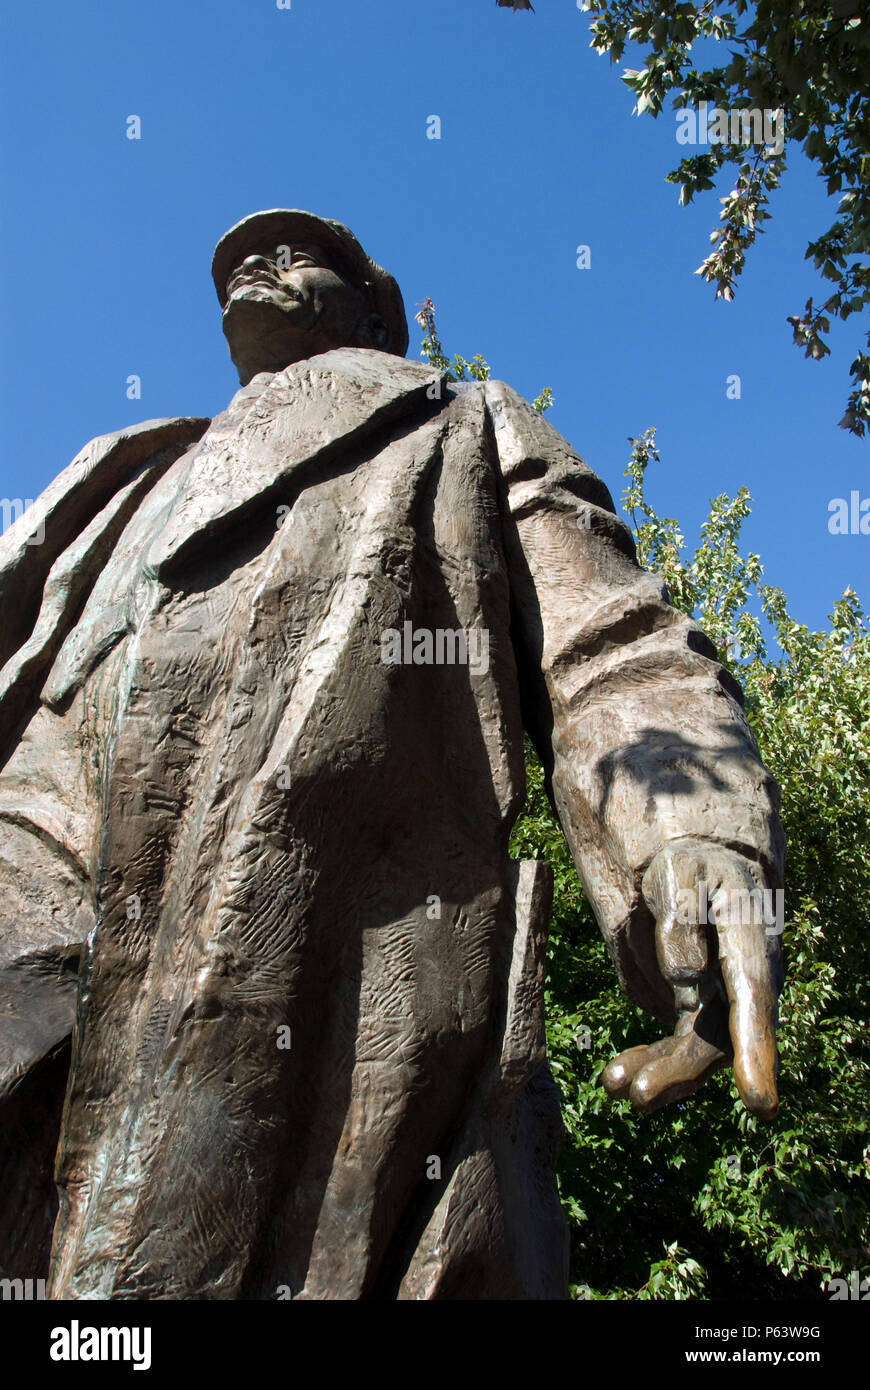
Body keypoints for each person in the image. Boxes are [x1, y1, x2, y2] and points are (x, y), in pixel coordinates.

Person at [0, 210, 784, 1299]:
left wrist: (697, 831)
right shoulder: (123, 473)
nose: (260, 268)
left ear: (381, 308)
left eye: (294, 252)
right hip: (35, 885)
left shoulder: (460, 422)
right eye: (239, 262)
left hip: (305, 937)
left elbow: (612, 648)